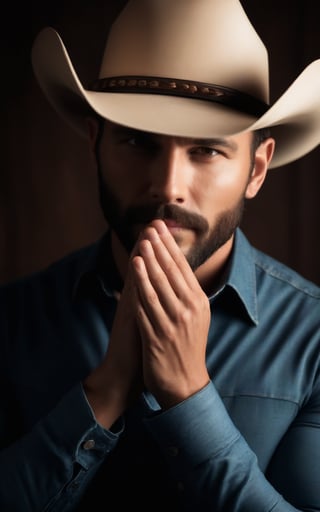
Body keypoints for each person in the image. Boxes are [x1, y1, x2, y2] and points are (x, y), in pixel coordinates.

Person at [1, 0, 320, 510]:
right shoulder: (12, 320)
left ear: (257, 169)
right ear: (94, 144)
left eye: (207, 151)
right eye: (138, 142)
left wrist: (189, 395)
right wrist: (103, 394)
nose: (168, 187)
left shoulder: (315, 340)